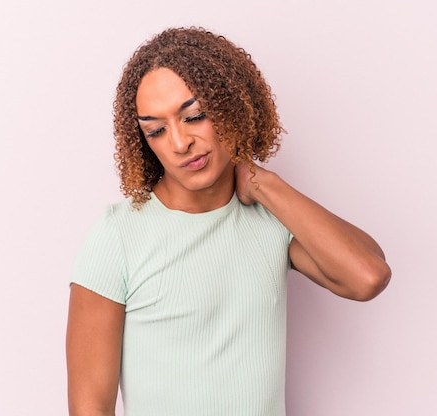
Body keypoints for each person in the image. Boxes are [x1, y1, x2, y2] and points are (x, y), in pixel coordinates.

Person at [66, 27, 391, 416]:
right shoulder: (116, 236)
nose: (179, 143)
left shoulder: (272, 221)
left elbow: (367, 276)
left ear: (230, 107)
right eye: (156, 130)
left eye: (195, 116)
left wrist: (264, 184)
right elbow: (89, 410)